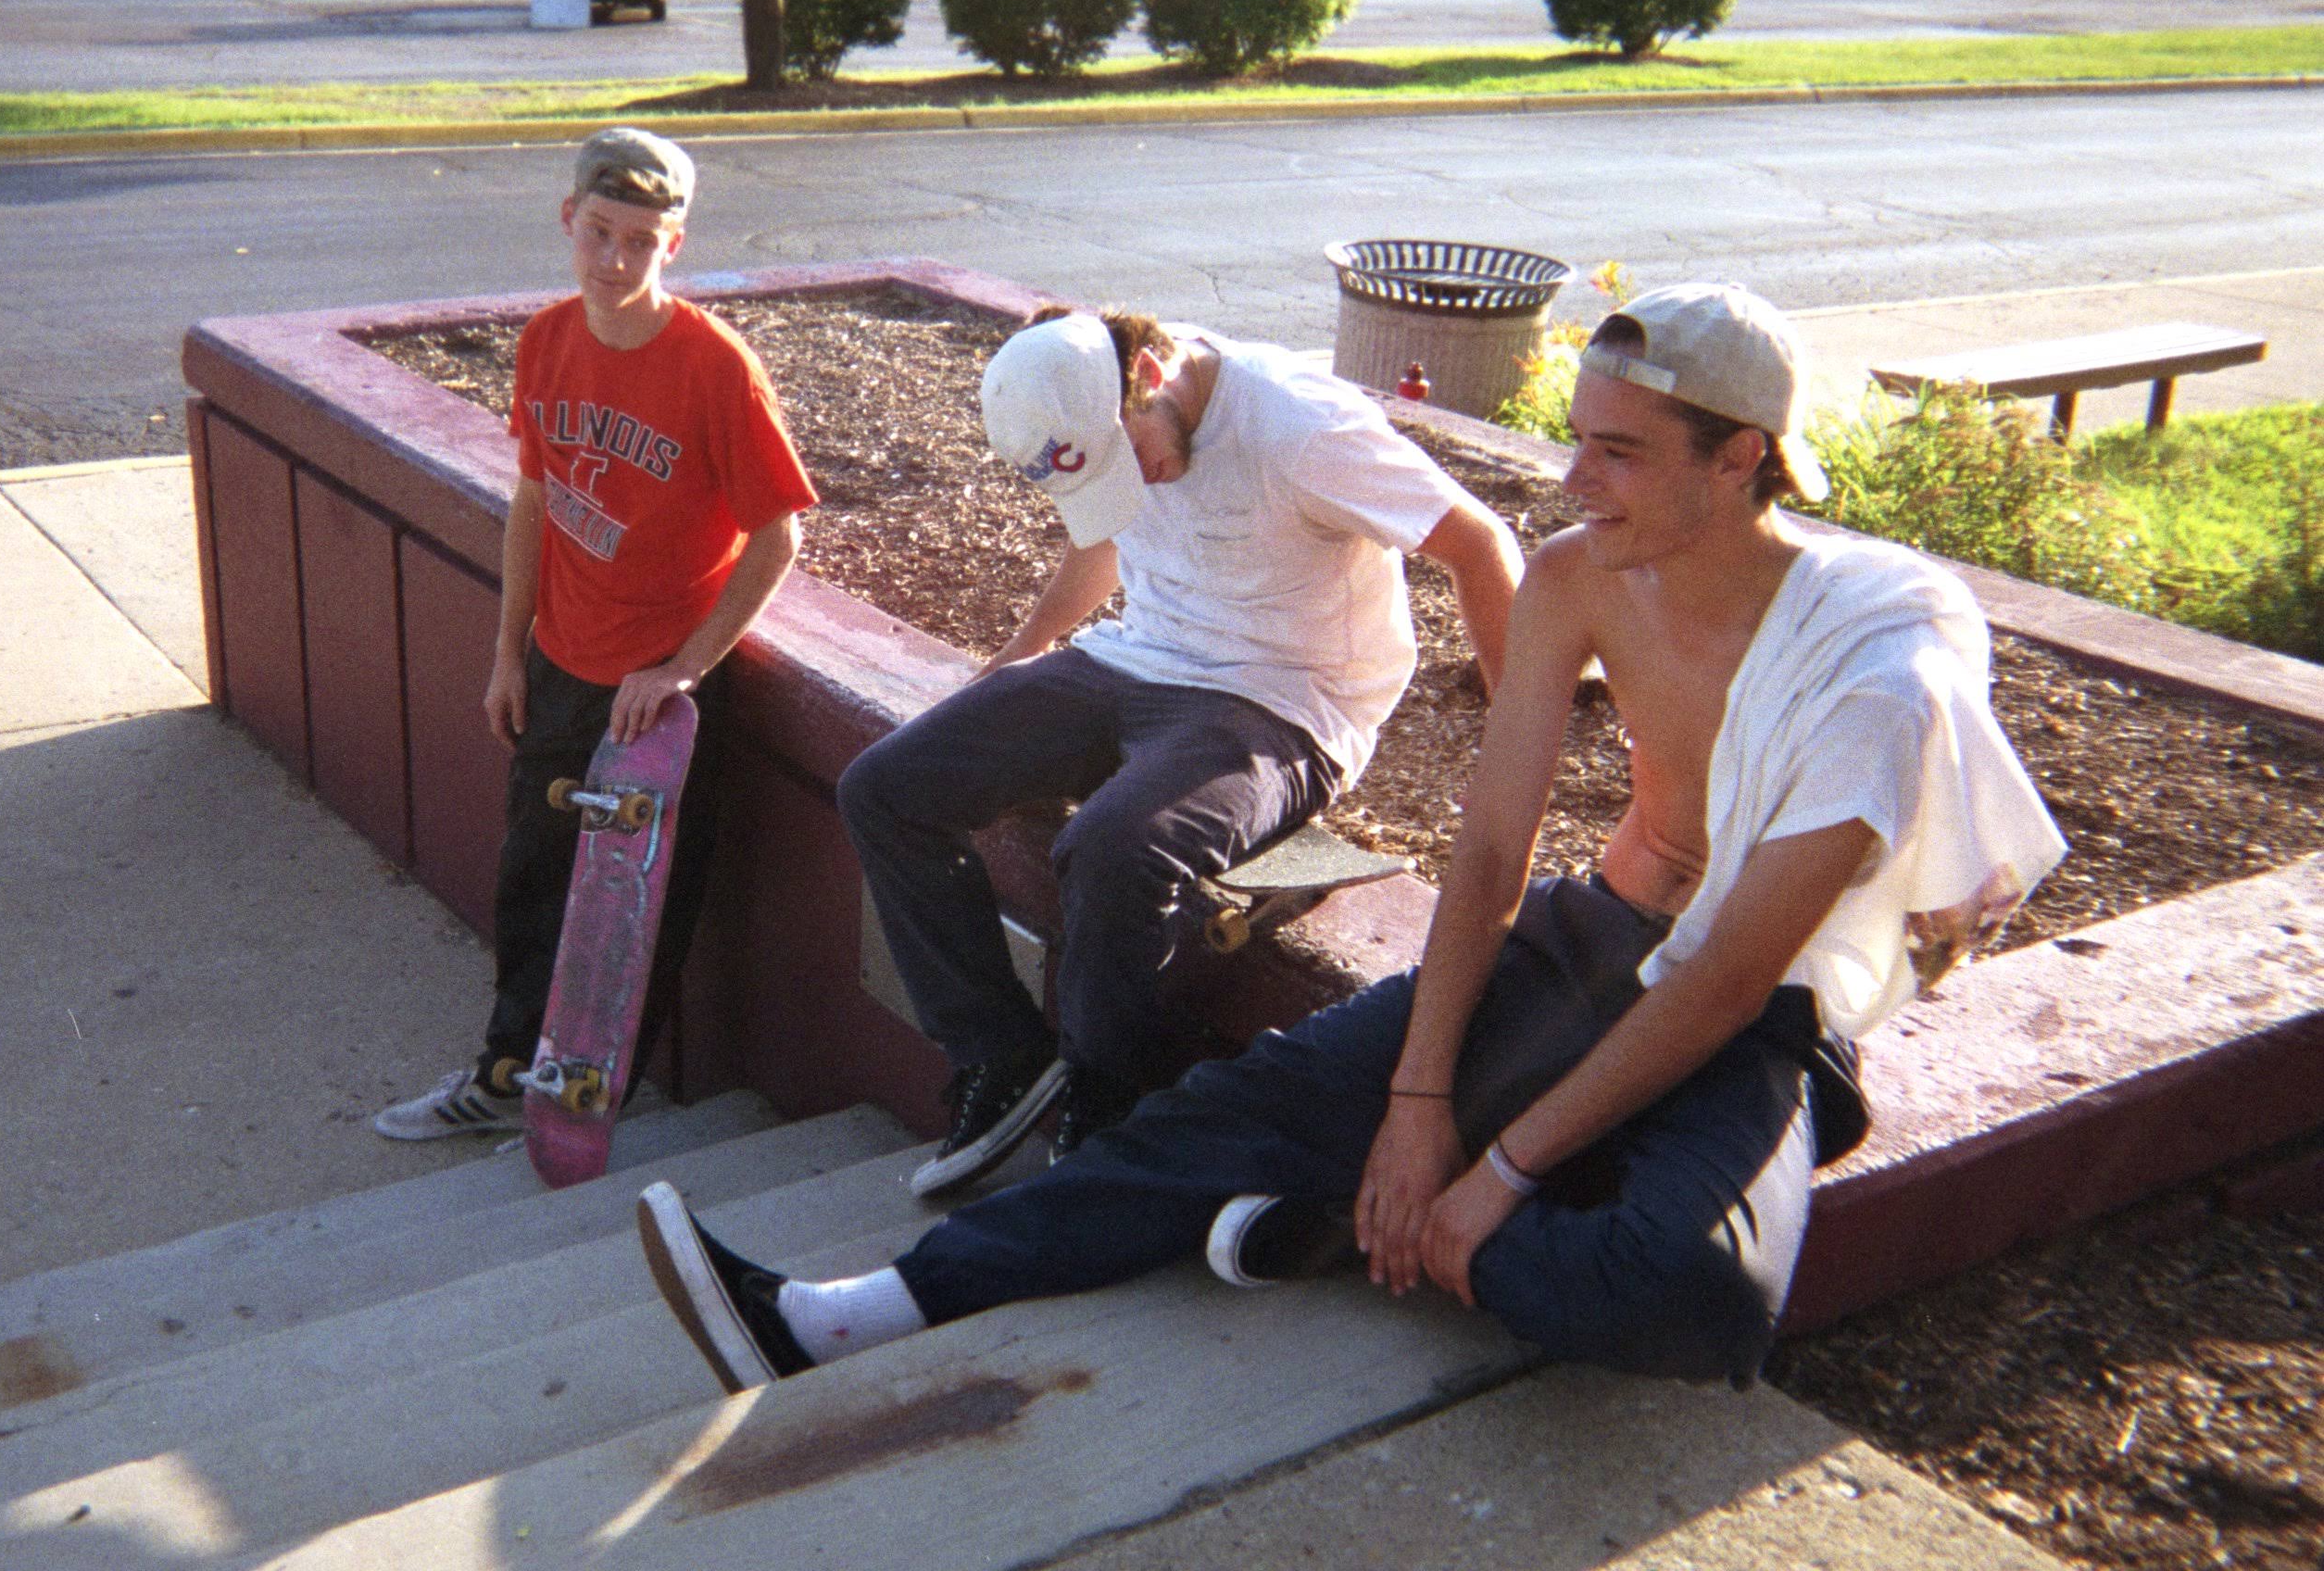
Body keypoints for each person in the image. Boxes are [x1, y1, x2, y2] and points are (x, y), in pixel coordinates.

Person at [637, 281, 2066, 1391]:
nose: (1572, 482)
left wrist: (1484, 1174)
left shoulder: (1885, 651)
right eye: (1577, 439)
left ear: (1743, 456)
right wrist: (1420, 1094)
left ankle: (1336, 1237)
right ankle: (854, 1315)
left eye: (1619, 453)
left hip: (1765, 1012)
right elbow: (1494, 853)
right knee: (1223, 1109)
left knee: (1687, 1293)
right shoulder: (1584, 575)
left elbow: (1727, 983)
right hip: (1599, 934)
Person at [838, 306, 1524, 1194]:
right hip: (1133, 657)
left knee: (1116, 846)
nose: (1143, 489)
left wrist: (1518, 748)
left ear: (1152, 375)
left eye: (1136, 465)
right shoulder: (1110, 416)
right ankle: (999, 1056)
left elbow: (1481, 544)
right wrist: (1013, 663)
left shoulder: (1301, 427)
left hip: (1279, 702)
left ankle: (1108, 1111)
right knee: (886, 786)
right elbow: (1105, 539)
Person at [375, 128, 818, 1138]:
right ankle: (502, 1077)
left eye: (643, 241)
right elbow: (533, 498)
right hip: (560, 664)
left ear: (676, 242)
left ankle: (593, 1103)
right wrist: (506, 652)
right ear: (569, 219)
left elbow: (777, 537)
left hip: (656, 704)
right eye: (602, 233)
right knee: (532, 880)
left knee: (629, 914)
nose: (617, 261)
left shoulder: (716, 369)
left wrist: (684, 668)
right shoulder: (547, 340)